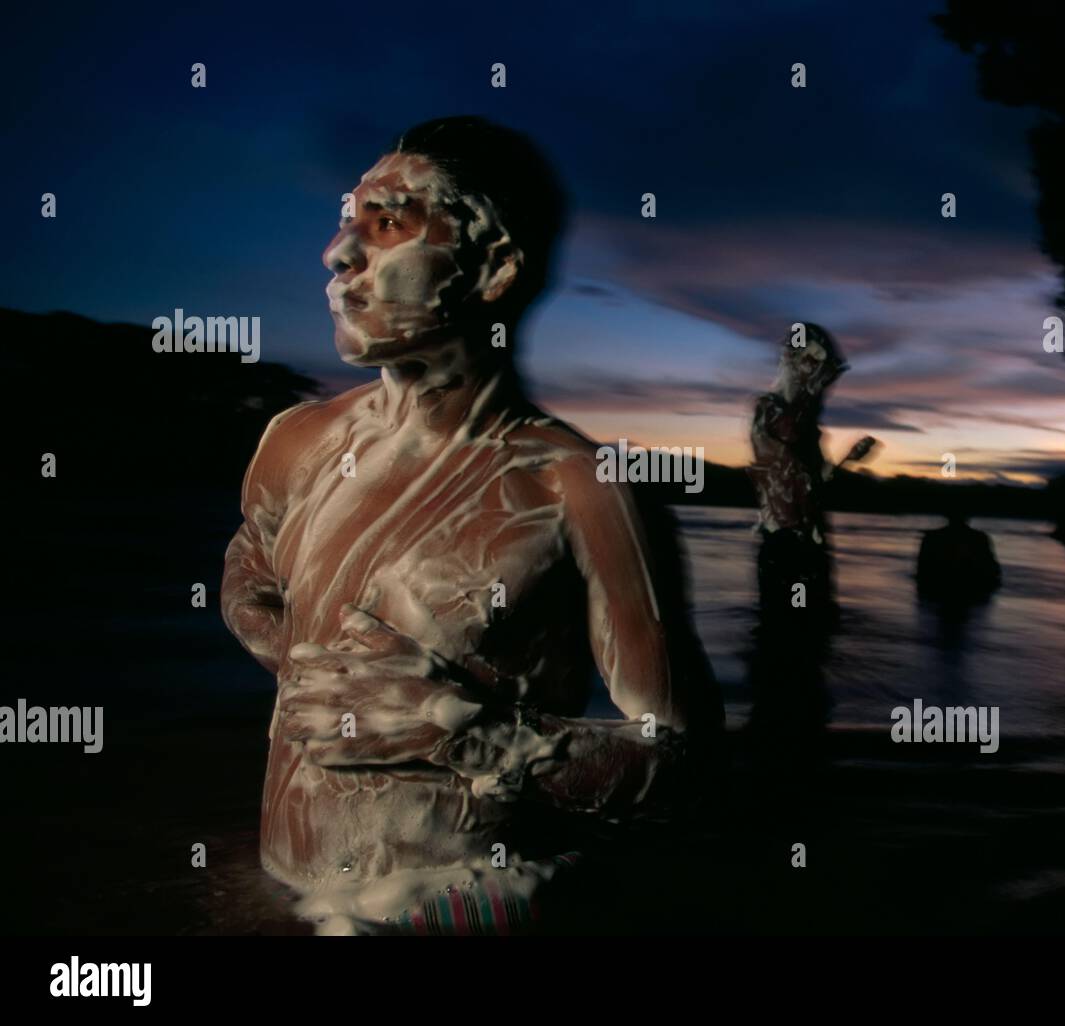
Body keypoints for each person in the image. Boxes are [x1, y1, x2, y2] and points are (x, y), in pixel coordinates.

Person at [220, 116, 721, 935]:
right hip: (286, 895)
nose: (338, 253)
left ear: (492, 267)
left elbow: (681, 763)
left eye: (386, 224)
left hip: (457, 909)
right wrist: (289, 651)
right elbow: (248, 560)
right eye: (347, 221)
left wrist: (467, 733)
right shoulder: (295, 440)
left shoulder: (578, 488)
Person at [744, 324, 848, 749]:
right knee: (783, 644)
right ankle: (776, 743)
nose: (822, 379)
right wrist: (808, 387)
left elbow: (813, 484)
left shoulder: (805, 422)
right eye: (812, 363)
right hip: (784, 548)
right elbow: (784, 456)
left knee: (809, 643)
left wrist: (844, 463)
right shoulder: (772, 410)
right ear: (794, 363)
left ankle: (802, 743)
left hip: (810, 549)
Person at [915, 506, 1002, 604]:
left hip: (941, 584)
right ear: (968, 517)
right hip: (970, 585)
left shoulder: (931, 538)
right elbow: (994, 571)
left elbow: (921, 569)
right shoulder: (979, 538)